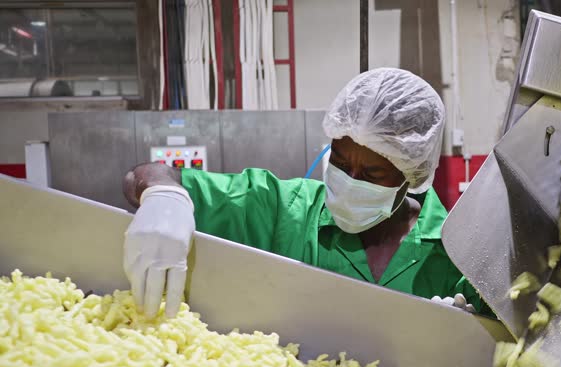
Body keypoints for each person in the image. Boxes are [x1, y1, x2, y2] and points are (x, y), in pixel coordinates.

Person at [123, 68, 490, 318]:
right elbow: (147, 174)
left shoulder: (455, 251)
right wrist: (163, 198)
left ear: (412, 174)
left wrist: (465, 332)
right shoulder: (286, 209)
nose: (350, 180)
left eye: (372, 174)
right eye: (342, 164)